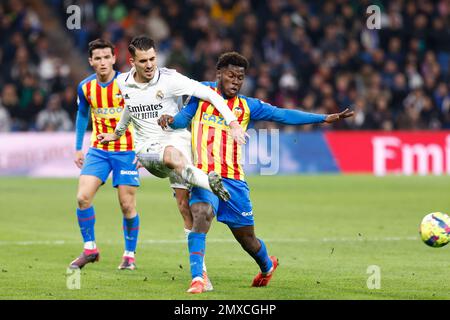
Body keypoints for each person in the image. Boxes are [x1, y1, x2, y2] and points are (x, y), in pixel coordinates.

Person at [157, 51, 354, 293]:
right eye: (231, 75)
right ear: (219, 74)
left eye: (240, 77)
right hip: (205, 177)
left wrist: (323, 118)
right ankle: (198, 278)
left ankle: (266, 265)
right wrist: (169, 120)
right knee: (201, 214)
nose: (236, 81)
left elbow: (283, 114)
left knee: (247, 240)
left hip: (234, 183)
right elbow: (181, 120)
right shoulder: (202, 96)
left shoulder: (247, 106)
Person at [97, 36, 247, 291]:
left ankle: (200, 276)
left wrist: (232, 122)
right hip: (147, 150)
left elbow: (211, 95)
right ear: (132, 61)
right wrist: (118, 133)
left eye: (153, 59)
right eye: (143, 61)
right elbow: (129, 108)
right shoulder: (122, 81)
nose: (149, 65)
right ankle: (208, 183)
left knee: (185, 207)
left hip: (179, 145)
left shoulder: (171, 79)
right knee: (169, 155)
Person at [69, 39, 140, 271]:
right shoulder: (85, 87)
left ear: (113, 58)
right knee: (82, 198)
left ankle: (129, 254)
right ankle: (90, 248)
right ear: (91, 61)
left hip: (127, 151)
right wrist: (79, 147)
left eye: (106, 57)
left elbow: (141, 113)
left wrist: (144, 148)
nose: (102, 62)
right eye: (97, 58)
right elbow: (82, 115)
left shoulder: (127, 83)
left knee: (127, 205)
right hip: (98, 151)